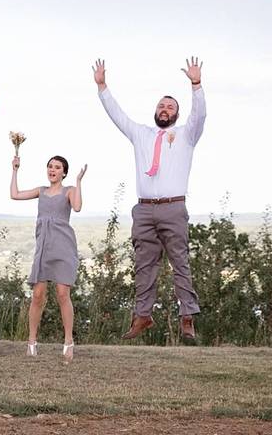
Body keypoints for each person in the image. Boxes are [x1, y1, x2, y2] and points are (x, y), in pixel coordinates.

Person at [93, 57, 206, 344]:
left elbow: (200, 115)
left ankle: (187, 318)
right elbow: (117, 115)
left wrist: (196, 85)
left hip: (173, 207)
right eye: (161, 106)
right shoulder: (141, 134)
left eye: (170, 107)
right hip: (143, 210)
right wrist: (102, 86)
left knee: (180, 262)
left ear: (177, 114)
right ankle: (142, 316)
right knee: (144, 265)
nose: (164, 109)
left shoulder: (186, 136)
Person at [10, 155, 86, 363]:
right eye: (50, 166)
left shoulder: (69, 190)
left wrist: (79, 182)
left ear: (64, 172)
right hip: (43, 246)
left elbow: (77, 207)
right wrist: (15, 169)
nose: (52, 170)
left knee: (63, 294)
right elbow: (15, 194)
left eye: (57, 167)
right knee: (37, 294)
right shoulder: (41, 191)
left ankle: (69, 341)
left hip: (63, 247)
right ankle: (32, 342)